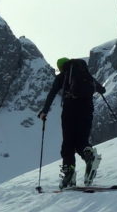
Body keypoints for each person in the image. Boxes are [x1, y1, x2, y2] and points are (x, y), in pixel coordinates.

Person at [39, 57, 107, 189]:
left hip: (70, 110)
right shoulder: (84, 74)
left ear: (61, 67)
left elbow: (52, 93)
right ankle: (89, 156)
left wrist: (44, 111)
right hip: (87, 110)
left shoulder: (62, 77)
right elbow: (101, 89)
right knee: (82, 141)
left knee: (68, 144)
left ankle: (69, 175)